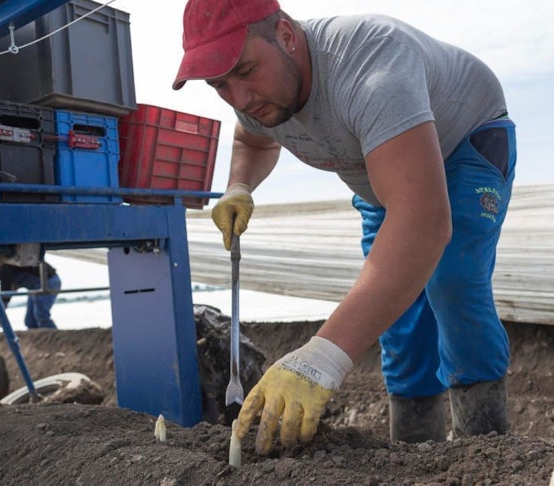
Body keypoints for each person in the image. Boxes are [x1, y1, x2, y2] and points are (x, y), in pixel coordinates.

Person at [174, 0, 516, 454]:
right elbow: (251, 139)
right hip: (382, 179)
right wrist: (239, 186)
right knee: (395, 310)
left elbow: (424, 223)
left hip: (465, 145)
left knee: (450, 279)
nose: (240, 99)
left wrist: (322, 359)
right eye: (220, 86)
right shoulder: (256, 97)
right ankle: (417, 455)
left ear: (287, 36)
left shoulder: (371, 65)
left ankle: (486, 451)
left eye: (246, 71)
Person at [0, 262, 61, 330]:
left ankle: (56, 340)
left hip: (48, 281)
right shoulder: (2, 267)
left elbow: (6, 292)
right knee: (30, 321)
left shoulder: (3, 268)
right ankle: (37, 345)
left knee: (41, 316)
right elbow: (10, 288)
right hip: (36, 286)